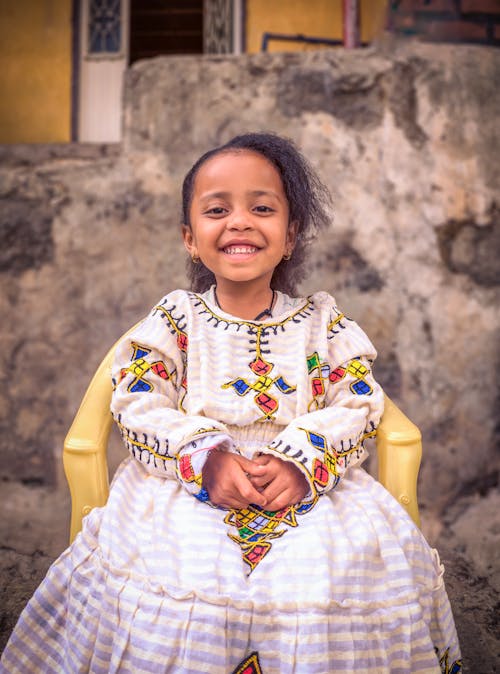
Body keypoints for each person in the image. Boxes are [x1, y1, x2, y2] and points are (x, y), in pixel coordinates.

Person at [0, 133, 461, 673]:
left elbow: (358, 403)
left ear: (289, 236)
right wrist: (205, 456)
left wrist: (302, 460)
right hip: (184, 482)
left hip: (308, 481)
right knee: (182, 571)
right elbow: (137, 399)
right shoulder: (175, 321)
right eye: (217, 209)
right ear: (190, 237)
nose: (240, 221)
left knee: (335, 565)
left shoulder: (325, 324)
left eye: (261, 208)